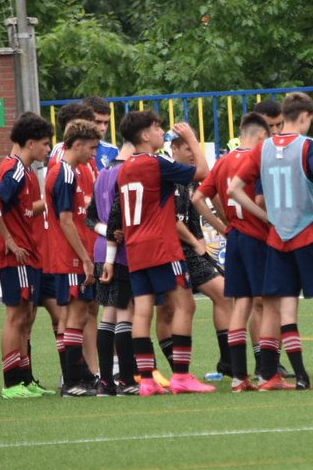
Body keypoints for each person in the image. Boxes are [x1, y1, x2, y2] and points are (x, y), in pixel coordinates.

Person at [229, 92, 313, 390]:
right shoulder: (306, 145)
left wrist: (265, 216)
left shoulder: (262, 149)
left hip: (278, 237)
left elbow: (235, 189)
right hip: (307, 234)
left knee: (286, 306)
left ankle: (300, 376)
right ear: (305, 117)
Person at [106, 112, 212, 396]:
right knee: (185, 305)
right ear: (144, 136)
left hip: (137, 248)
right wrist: (190, 138)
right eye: (157, 128)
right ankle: (181, 376)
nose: (162, 131)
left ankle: (147, 380)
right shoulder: (157, 162)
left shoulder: (125, 167)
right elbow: (203, 173)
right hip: (163, 247)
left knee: (142, 312)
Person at [193, 112, 271, 391]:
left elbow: (198, 198)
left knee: (241, 304)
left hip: (235, 238)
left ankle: (239, 376)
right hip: (258, 237)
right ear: (261, 135)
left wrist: (224, 225)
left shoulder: (224, 161)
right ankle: (266, 372)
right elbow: (262, 199)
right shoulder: (258, 159)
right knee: (265, 303)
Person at [0, 112, 53, 399]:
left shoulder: (24, 170)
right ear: (30, 142)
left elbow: (24, 209)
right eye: (45, 144)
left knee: (27, 316)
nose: (48, 149)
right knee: (16, 316)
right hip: (17, 256)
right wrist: (9, 240)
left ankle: (25, 379)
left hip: (28, 254)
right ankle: (11, 383)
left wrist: (48, 201)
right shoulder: (13, 170)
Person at [170, 131, 234, 379]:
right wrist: (194, 242)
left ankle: (227, 361)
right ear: (174, 150)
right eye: (188, 149)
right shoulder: (172, 176)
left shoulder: (192, 179)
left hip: (191, 249)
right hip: (177, 251)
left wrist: (225, 230)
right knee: (170, 309)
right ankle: (159, 371)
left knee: (223, 294)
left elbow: (206, 202)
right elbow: (172, 221)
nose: (193, 154)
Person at [44, 119, 100, 396]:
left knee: (72, 317)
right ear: (77, 145)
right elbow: (66, 221)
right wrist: (85, 258)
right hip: (70, 258)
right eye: (91, 148)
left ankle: (79, 376)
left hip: (67, 256)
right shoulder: (65, 174)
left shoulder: (65, 171)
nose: (94, 154)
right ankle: (73, 382)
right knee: (77, 316)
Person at [85, 137, 140, 396]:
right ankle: (127, 379)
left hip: (100, 249)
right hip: (119, 252)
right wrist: (114, 233)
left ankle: (106, 382)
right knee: (125, 312)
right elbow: (122, 213)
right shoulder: (127, 172)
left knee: (109, 315)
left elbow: (89, 217)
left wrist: (104, 230)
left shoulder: (103, 173)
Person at [81, 96, 120, 171]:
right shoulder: (63, 150)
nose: (103, 128)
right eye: (98, 122)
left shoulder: (112, 151)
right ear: (84, 119)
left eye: (106, 123)